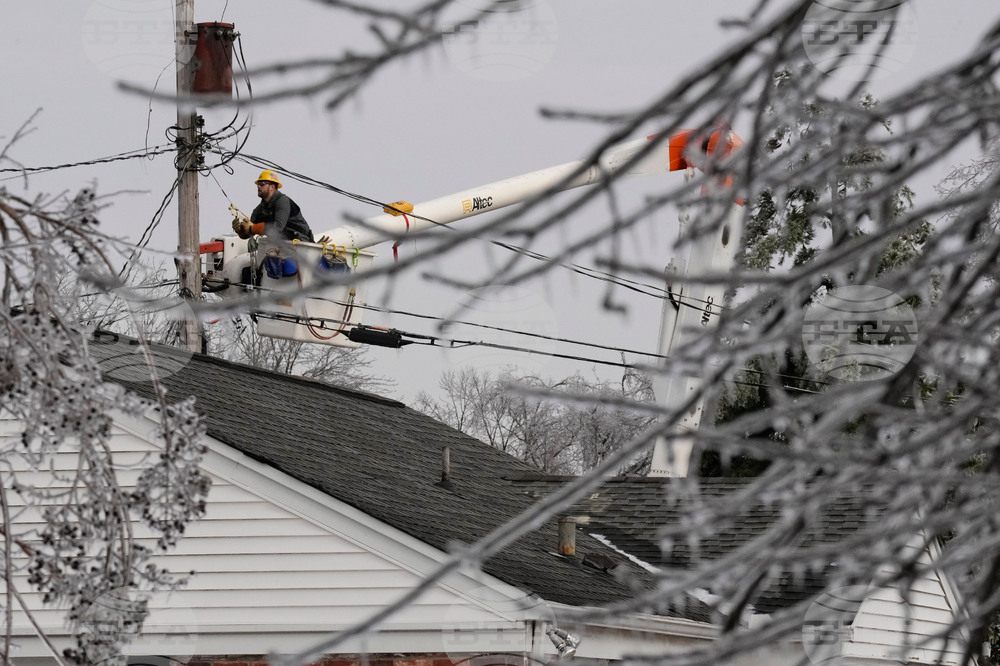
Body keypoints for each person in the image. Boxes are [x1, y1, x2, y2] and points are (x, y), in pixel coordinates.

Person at [233, 170, 315, 242]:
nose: (258, 186)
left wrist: (253, 228)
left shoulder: (283, 201)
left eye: (262, 184)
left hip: (301, 244)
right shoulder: (259, 210)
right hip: (283, 247)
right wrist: (241, 231)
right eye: (258, 184)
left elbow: (278, 227)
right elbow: (251, 230)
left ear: (272, 187)